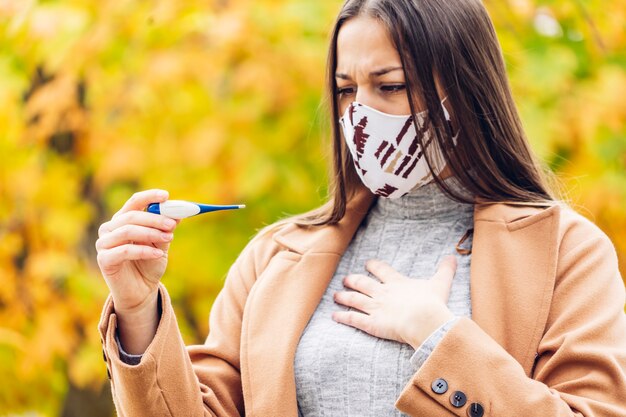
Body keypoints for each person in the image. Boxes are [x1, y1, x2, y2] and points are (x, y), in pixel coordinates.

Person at [95, 0, 626, 416]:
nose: (361, 116)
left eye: (390, 86)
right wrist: (139, 312)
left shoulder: (565, 252)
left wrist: (437, 337)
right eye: (347, 90)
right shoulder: (275, 257)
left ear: (466, 89)